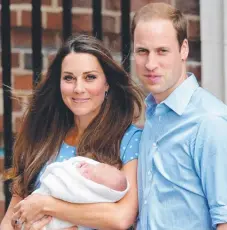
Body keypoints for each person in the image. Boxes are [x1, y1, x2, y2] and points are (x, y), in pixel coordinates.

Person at [0, 34, 144, 230]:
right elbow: (11, 218)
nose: (78, 88)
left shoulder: (129, 139)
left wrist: (46, 205)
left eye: (90, 77)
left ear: (107, 83)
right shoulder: (45, 137)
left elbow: (121, 218)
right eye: (69, 78)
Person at [132, 2, 227, 230]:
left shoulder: (209, 121)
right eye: (142, 51)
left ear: (184, 49)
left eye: (162, 51)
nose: (150, 64)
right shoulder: (154, 114)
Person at [22, 156, 130, 230]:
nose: (90, 167)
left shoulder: (129, 139)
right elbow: (9, 221)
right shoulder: (39, 135)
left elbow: (121, 219)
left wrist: (44, 204)